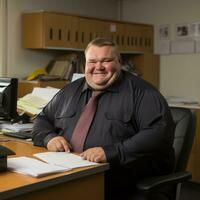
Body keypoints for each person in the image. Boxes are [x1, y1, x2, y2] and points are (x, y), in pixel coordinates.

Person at [32, 38, 175, 200]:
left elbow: (159, 134)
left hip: (120, 183)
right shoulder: (69, 91)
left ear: (119, 62)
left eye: (106, 60)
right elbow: (42, 120)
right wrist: (49, 138)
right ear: (85, 64)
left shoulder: (143, 93)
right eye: (92, 61)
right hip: (68, 175)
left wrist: (112, 152)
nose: (98, 67)